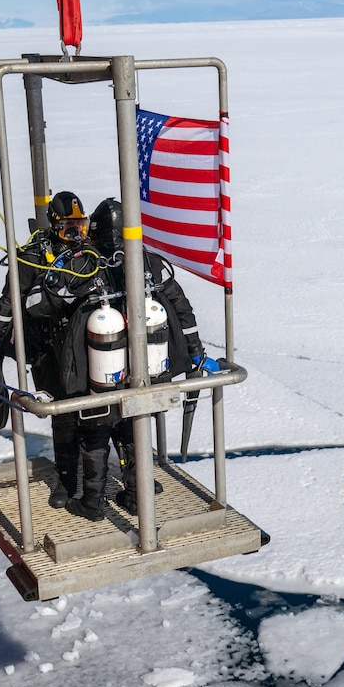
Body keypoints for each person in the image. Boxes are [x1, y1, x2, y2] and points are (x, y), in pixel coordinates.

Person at [0, 191, 112, 517]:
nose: (76, 234)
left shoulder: (93, 253)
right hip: (47, 352)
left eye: (80, 226)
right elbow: (10, 300)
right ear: (53, 225)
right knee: (62, 418)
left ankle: (96, 491)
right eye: (68, 227)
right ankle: (67, 484)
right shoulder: (33, 257)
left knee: (97, 416)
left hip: (85, 349)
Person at [86, 199, 218, 512]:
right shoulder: (150, 263)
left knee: (95, 427)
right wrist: (195, 349)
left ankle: (92, 501)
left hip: (103, 367)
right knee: (136, 423)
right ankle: (137, 490)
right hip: (144, 367)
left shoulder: (87, 266)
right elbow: (181, 308)